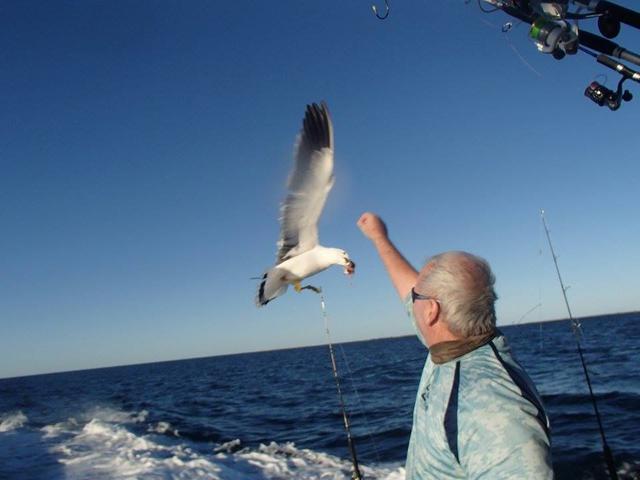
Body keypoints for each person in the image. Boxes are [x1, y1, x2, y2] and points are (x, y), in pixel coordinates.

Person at [356, 212, 553, 479]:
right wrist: (379, 237)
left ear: (431, 312)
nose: (410, 298)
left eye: (417, 295)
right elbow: (408, 287)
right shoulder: (448, 342)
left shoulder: (496, 408)